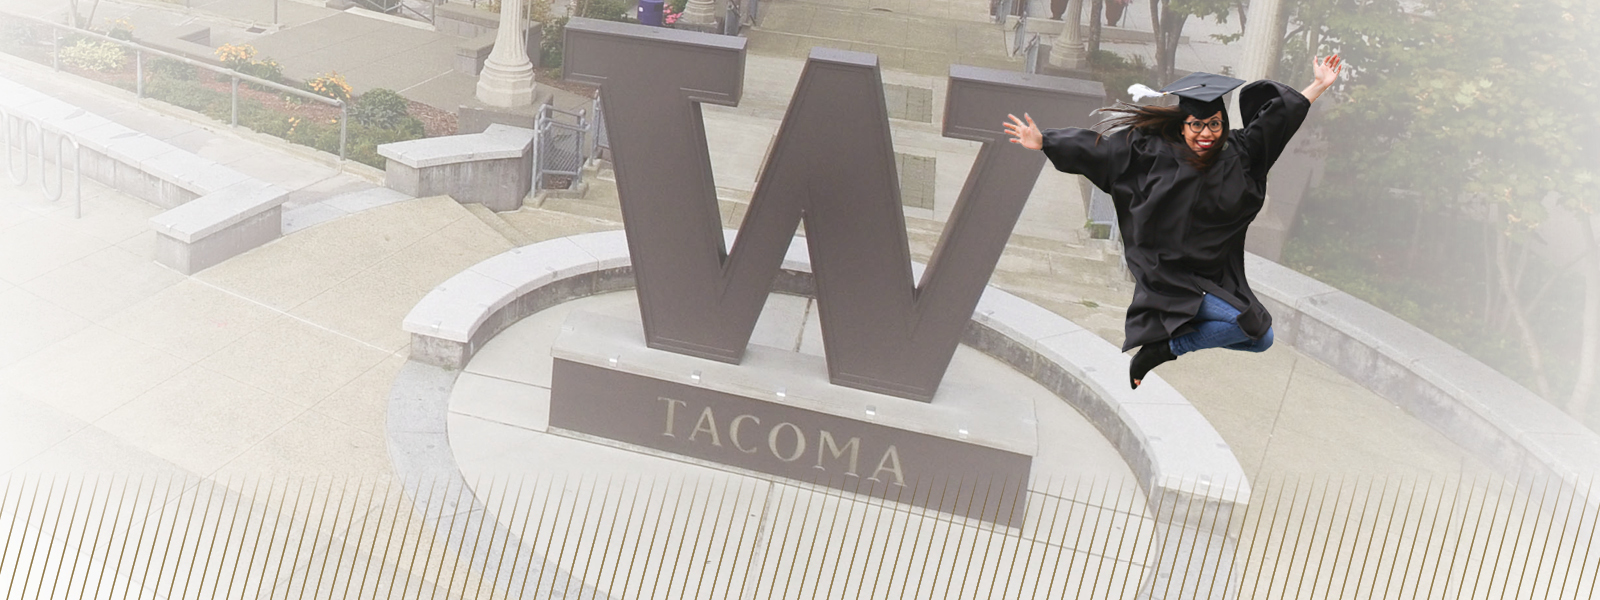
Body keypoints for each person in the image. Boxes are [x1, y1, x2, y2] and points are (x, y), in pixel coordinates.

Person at [1004, 55, 1343, 389]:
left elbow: (1276, 120)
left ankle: (1166, 345)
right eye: (1196, 124)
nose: (1206, 133)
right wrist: (1046, 142)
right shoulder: (1153, 153)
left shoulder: (1240, 155)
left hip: (1213, 274)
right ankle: (1164, 346)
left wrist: (1318, 85)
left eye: (1214, 124)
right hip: (1166, 271)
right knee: (1249, 325)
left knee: (1261, 339)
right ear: (1182, 125)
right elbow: (1102, 152)